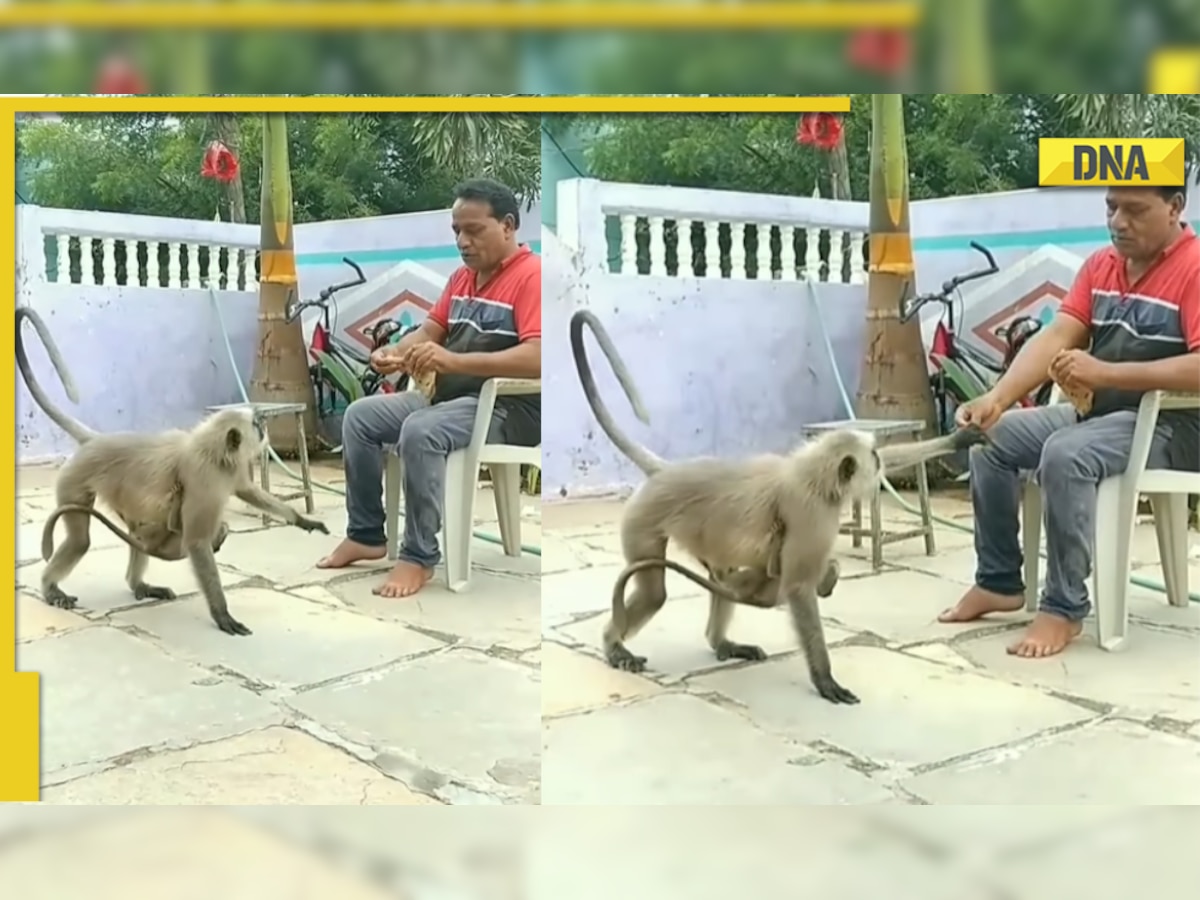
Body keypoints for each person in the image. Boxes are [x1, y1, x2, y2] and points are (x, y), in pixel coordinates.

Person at [939, 184, 1199, 658]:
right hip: (1100, 414)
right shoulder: (1100, 265)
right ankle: (998, 581)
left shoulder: (1195, 268)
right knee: (987, 439)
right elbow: (1058, 334)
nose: (1119, 221)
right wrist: (997, 398)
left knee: (1066, 453)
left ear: (1175, 207)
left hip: (1173, 427)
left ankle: (1063, 608)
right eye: (1111, 208)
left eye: (1136, 210)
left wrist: (1107, 372)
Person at [316, 177, 541, 598]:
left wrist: (453, 361)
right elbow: (431, 332)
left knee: (420, 429)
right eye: (457, 230)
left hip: (509, 409)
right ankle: (366, 533)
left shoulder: (532, 277)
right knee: (360, 417)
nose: (463, 241)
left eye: (474, 230)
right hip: (450, 401)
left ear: (508, 226)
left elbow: (538, 356)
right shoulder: (462, 279)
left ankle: (419, 557)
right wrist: (395, 353)